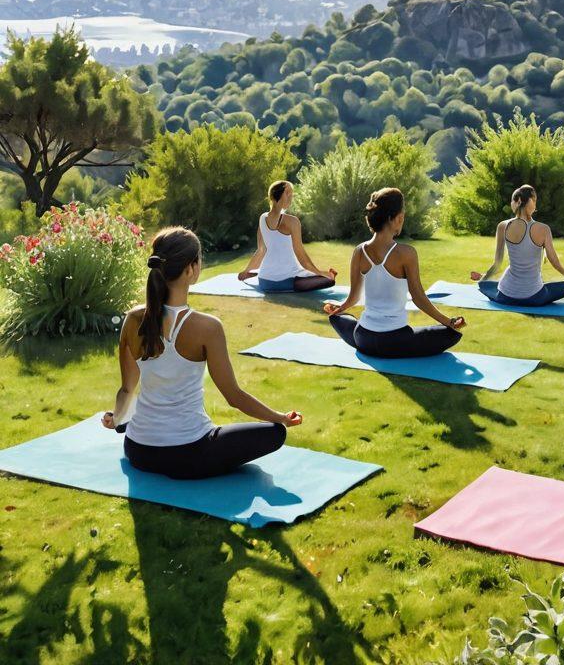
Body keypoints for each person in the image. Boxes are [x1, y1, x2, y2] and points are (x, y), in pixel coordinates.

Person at [102, 226, 302, 479]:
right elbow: (233, 396)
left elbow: (127, 389)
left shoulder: (132, 319)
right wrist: (281, 417)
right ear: (190, 269)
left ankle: (129, 425)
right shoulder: (207, 327)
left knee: (133, 421)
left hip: (139, 450)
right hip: (189, 454)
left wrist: (118, 418)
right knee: (275, 433)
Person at [324, 187, 466, 358]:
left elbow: (353, 297)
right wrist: (448, 322)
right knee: (450, 334)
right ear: (398, 218)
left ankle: (352, 329)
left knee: (337, 319)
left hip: (363, 337)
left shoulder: (359, 251)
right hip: (395, 341)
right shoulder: (406, 253)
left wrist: (340, 309)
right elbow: (419, 298)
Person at [470, 184, 564, 306]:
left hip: (505, 296)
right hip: (534, 297)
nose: (511, 204)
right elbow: (552, 259)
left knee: (487, 285)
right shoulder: (543, 229)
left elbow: (497, 264)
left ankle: (483, 279)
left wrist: (484, 278)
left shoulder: (503, 226)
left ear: (519, 201)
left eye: (512, 200)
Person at [238, 180, 336, 293]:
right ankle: (321, 277)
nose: (291, 197)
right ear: (275, 195)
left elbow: (261, 251)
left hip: (265, 282)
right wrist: (321, 273)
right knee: (330, 279)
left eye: (292, 194)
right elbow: (301, 255)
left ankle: (255, 274)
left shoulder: (262, 218)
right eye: (287, 193)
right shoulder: (292, 222)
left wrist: (246, 271)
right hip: (287, 280)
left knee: (319, 275)